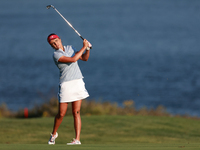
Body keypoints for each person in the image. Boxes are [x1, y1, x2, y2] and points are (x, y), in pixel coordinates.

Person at [47, 33, 91, 145]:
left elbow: (84, 58)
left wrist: (88, 49)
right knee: (61, 114)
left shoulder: (70, 48)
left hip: (77, 82)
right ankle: (54, 134)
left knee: (76, 112)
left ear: (60, 39)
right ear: (52, 46)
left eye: (56, 40)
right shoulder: (56, 55)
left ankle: (77, 139)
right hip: (66, 84)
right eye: (53, 43)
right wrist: (83, 47)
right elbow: (73, 59)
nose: (56, 44)